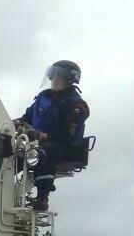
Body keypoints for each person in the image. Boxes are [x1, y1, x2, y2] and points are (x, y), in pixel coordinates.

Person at [18, 59, 90, 212]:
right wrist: (13, 124)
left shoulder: (75, 104)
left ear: (70, 80)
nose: (55, 81)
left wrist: (43, 136)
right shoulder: (43, 98)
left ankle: (42, 197)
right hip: (35, 142)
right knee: (11, 154)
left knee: (42, 153)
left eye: (60, 77)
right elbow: (26, 118)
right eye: (53, 77)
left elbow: (68, 135)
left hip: (63, 146)